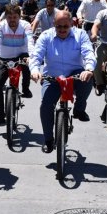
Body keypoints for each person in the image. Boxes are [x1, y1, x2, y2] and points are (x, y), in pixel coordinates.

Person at [30, 10, 96, 154]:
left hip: (75, 74)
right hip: (52, 77)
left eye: (65, 26)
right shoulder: (46, 36)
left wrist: (89, 69)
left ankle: (79, 109)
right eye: (59, 27)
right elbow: (36, 55)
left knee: (89, 79)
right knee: (46, 105)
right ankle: (48, 140)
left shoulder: (81, 35)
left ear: (72, 24)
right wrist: (34, 70)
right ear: (54, 24)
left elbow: (88, 52)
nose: (62, 30)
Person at [0, 4, 34, 127]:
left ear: (19, 17)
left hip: (21, 55)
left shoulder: (26, 26)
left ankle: (25, 88)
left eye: (15, 17)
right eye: (9, 17)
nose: (12, 20)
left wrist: (31, 56)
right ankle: (0, 116)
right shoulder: (1, 26)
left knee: (27, 63)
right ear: (5, 17)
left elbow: (30, 42)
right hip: (3, 58)